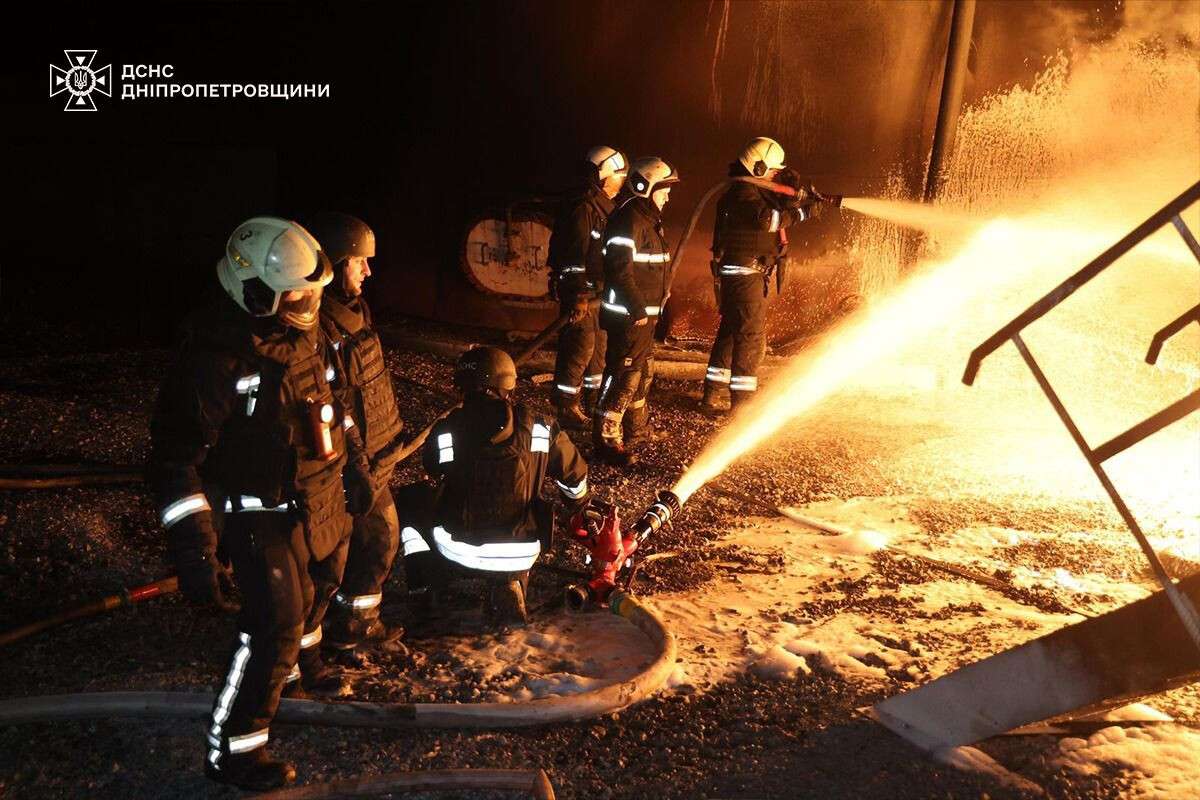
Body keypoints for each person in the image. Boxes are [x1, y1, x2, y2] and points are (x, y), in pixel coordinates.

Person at [149, 216, 371, 791]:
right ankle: (235, 750)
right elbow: (177, 460)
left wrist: (357, 471)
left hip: (317, 494)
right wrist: (196, 552)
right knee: (273, 624)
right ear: (255, 292)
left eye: (315, 292)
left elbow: (333, 402)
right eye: (300, 295)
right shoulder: (216, 358)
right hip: (257, 511)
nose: (312, 304)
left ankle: (301, 665)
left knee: (326, 580)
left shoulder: (309, 332)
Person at [402, 346, 589, 626]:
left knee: (411, 499)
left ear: (464, 387)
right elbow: (575, 479)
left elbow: (432, 467)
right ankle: (511, 584)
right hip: (520, 552)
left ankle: (426, 591)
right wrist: (579, 506)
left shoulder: (449, 428)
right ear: (508, 385)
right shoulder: (541, 427)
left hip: (459, 550)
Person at [307, 212, 407, 654]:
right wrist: (356, 466)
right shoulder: (317, 327)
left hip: (374, 458)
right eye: (359, 261)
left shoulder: (353, 313)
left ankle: (357, 624)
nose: (368, 271)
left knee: (380, 542)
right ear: (332, 264)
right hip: (344, 467)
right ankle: (302, 650)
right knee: (329, 562)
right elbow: (331, 405)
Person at [701, 136, 829, 415]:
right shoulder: (743, 194)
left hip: (741, 273)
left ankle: (711, 394)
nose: (775, 175)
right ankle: (742, 407)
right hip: (745, 273)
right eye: (772, 170)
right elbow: (767, 220)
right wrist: (803, 214)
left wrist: (795, 200)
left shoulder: (744, 192)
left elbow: (770, 210)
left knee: (732, 333)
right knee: (750, 337)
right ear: (757, 168)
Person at [593, 157, 680, 466]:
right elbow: (619, 269)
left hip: (643, 317)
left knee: (641, 375)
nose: (667, 196)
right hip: (629, 317)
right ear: (646, 187)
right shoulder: (628, 220)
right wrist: (638, 308)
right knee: (623, 376)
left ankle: (636, 431)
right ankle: (606, 440)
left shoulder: (647, 221)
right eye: (664, 190)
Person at [547, 146, 627, 429]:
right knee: (579, 347)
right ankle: (566, 406)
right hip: (581, 291)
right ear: (603, 175)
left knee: (599, 348)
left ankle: (593, 401)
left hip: (598, 291)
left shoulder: (604, 207)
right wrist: (577, 295)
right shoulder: (583, 208)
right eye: (619, 175)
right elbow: (574, 256)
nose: (621, 181)